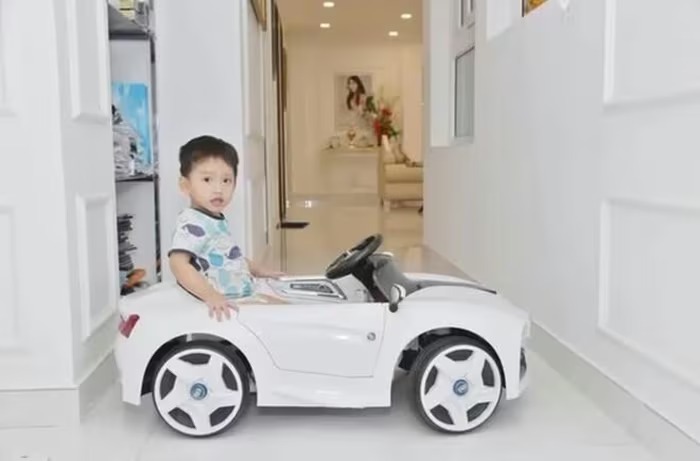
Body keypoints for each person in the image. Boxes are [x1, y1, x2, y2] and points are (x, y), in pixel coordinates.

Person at [168, 135, 283, 321]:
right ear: (185, 186)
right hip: (224, 304)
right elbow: (178, 263)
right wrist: (211, 295)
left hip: (240, 295)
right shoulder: (192, 222)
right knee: (285, 316)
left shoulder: (214, 219)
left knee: (285, 305)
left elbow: (228, 256)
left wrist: (258, 269)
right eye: (207, 179)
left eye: (226, 180)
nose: (218, 189)